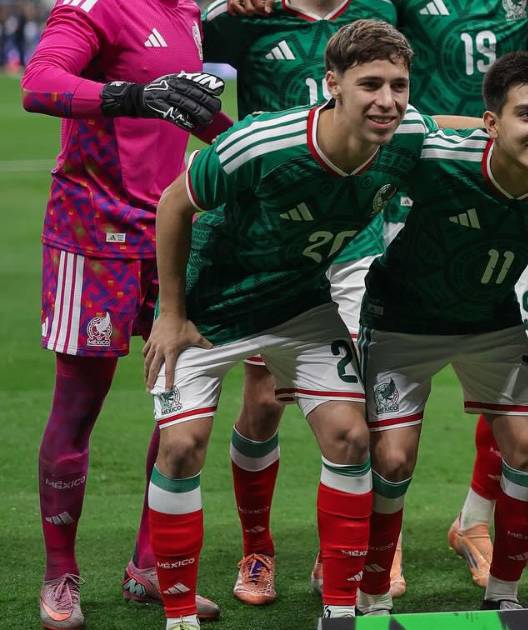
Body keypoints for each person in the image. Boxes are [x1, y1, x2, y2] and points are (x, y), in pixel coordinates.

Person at [141, 19, 434, 627]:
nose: (387, 100)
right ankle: (180, 616)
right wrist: (170, 315)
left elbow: (452, 131)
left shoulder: (408, 135)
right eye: (370, 84)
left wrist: (520, 131)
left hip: (299, 303)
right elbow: (174, 203)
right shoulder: (262, 142)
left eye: (399, 85)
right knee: (180, 447)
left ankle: (341, 609)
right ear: (333, 83)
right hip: (210, 305)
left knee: (351, 437)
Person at [356, 51, 528, 612]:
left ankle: (504, 598)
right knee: (391, 461)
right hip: (401, 321)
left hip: (491, 321)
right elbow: (382, 126)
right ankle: (370, 599)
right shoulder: (438, 157)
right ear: (492, 123)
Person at [20, 0, 228, 625]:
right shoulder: (96, 6)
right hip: (93, 232)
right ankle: (60, 574)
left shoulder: (187, 10)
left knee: (179, 404)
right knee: (78, 407)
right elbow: (38, 84)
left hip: (170, 231)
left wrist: (254, 145)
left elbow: (185, 110)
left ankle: (149, 566)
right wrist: (133, 97)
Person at [200, 0, 408, 605]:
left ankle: (348, 546)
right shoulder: (248, 13)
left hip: (353, 241)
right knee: (264, 400)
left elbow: (413, 111)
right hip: (272, 241)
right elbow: (176, 64)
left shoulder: (375, 11)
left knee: (364, 403)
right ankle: (257, 547)